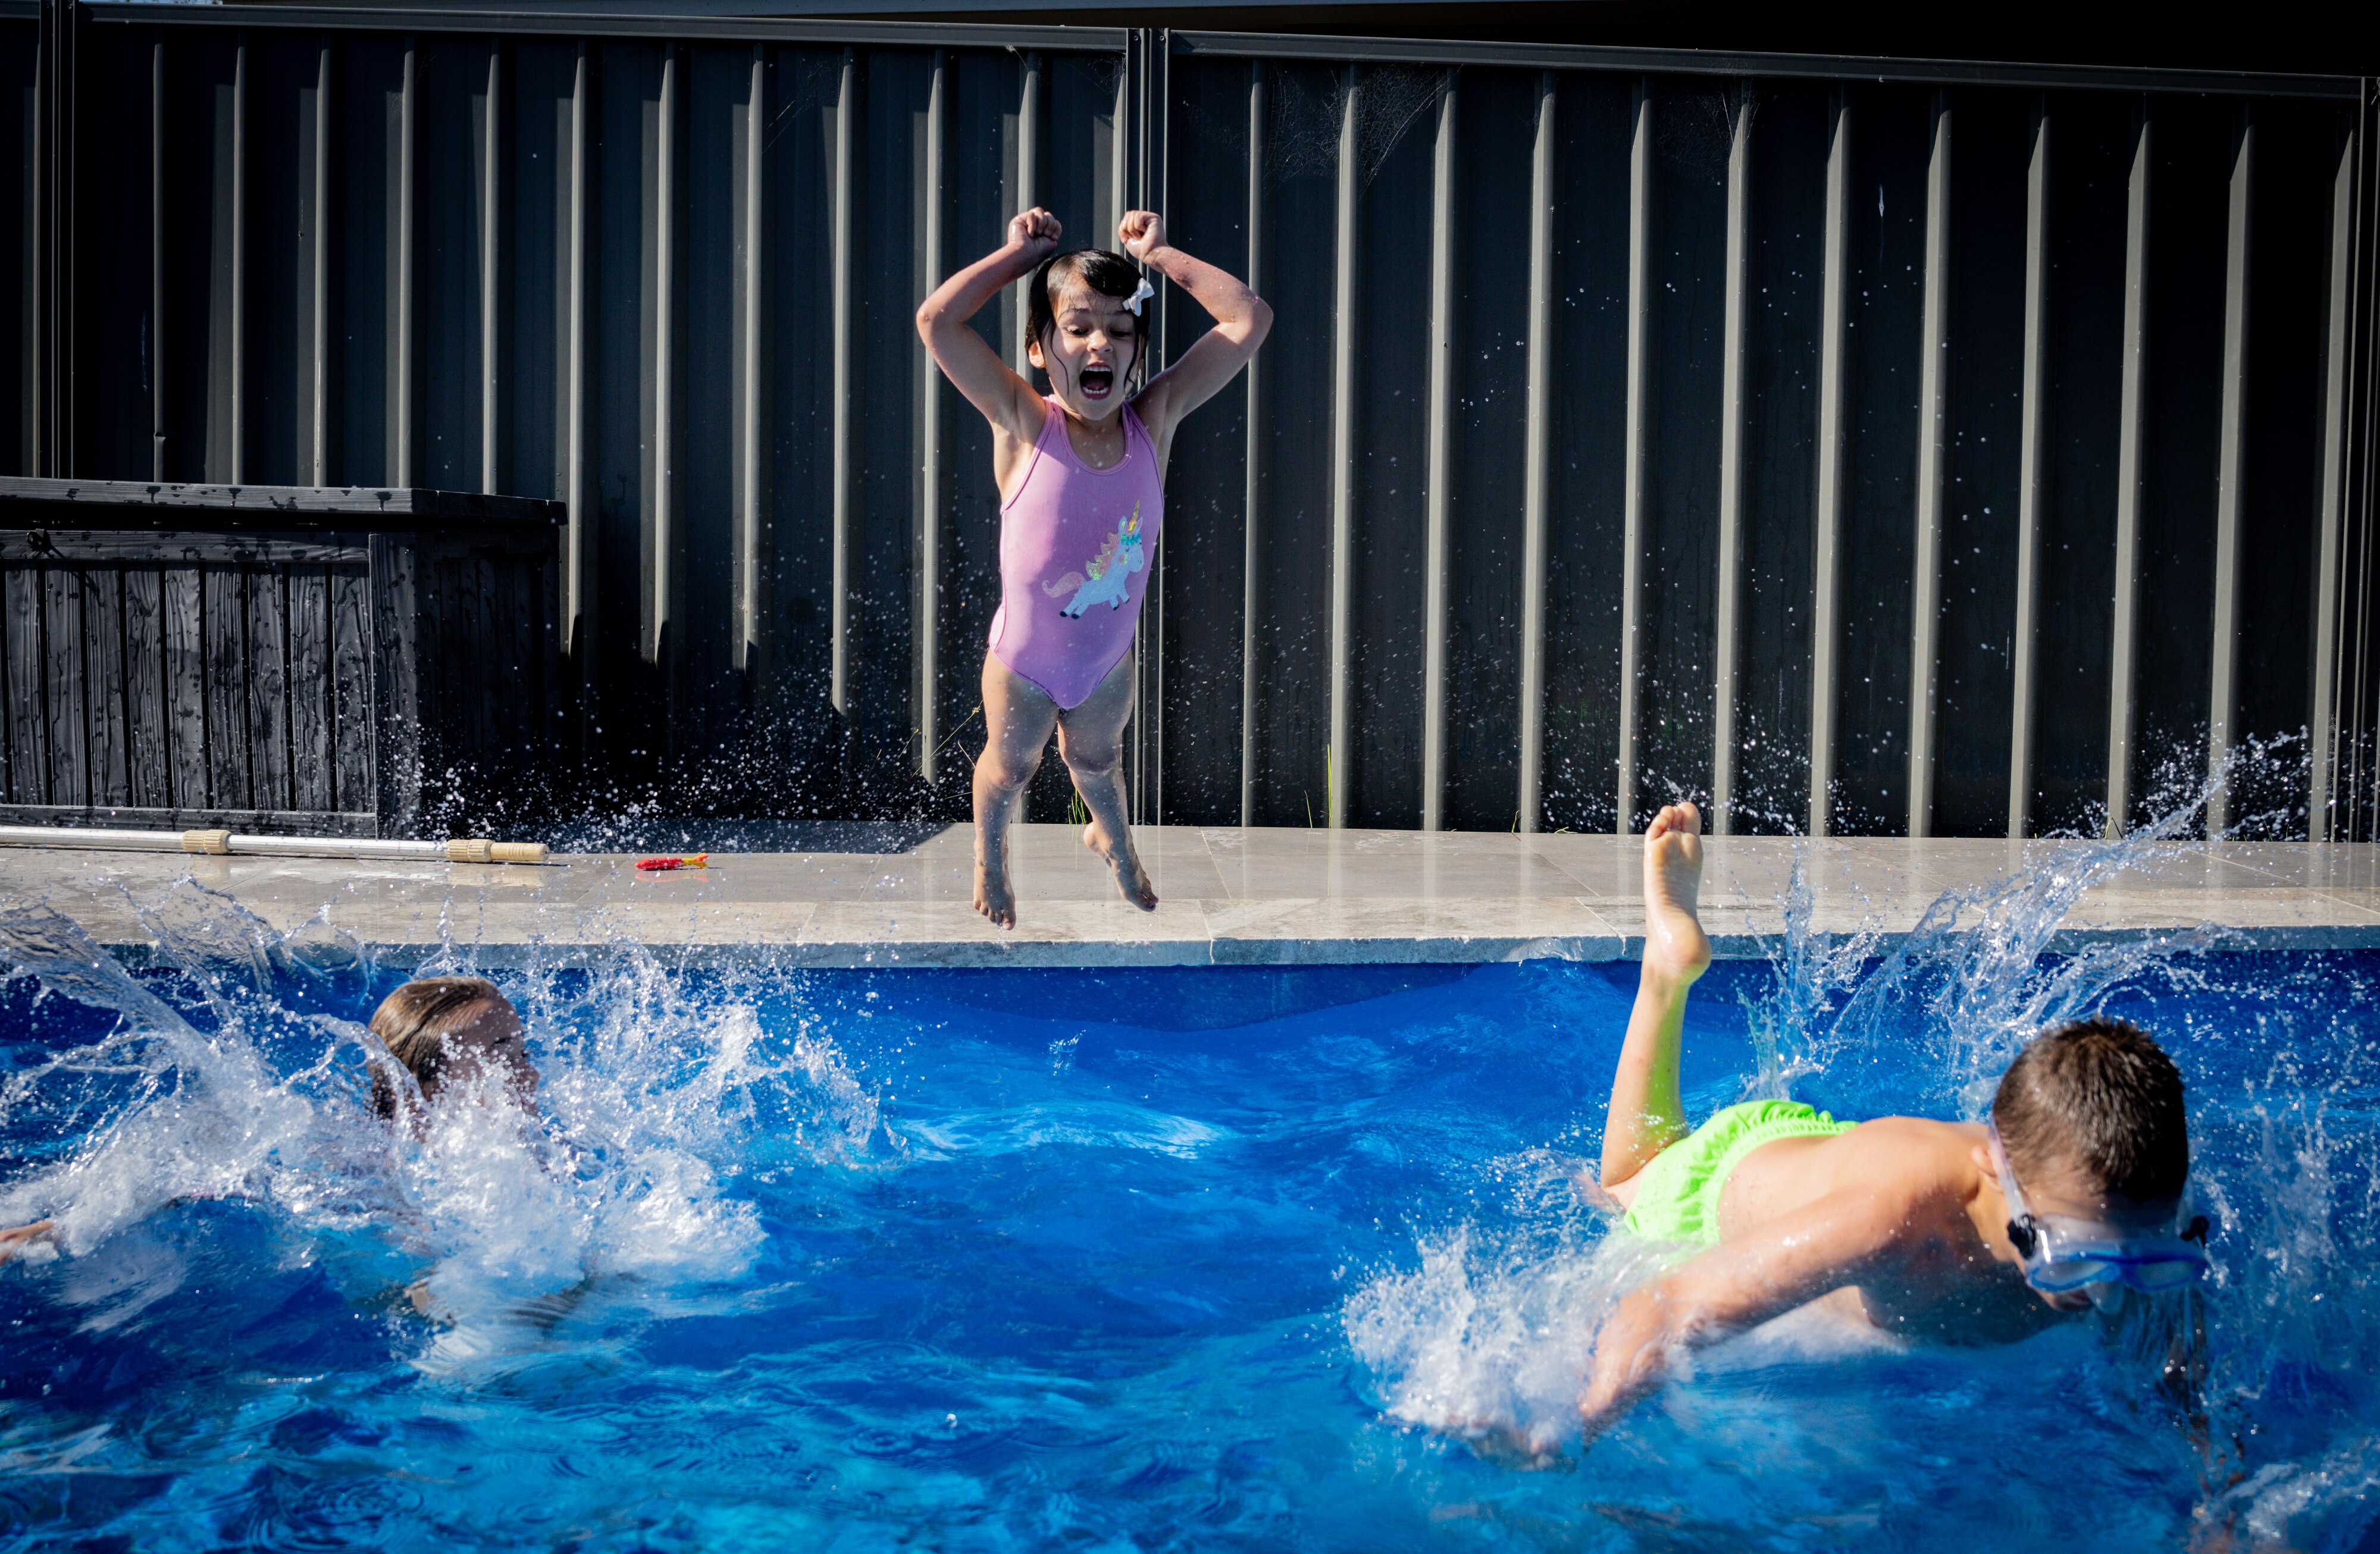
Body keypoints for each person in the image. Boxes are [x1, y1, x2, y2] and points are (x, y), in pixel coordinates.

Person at [1572, 802, 2209, 1446]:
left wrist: (2216, 1470)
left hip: (1837, 1157)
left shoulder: (2133, 1204)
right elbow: (1660, 1307)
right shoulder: (1895, 1222)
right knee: (1622, 1184)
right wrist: (1571, 1432)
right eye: (2070, 1255)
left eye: (2144, 1261)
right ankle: (1666, 969)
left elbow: (2179, 1367)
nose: (2107, 1291)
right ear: (1996, 1167)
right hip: (1732, 1181)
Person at [917, 206, 1270, 928]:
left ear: (1139, 351)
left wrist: (1162, 256)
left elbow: (1248, 319)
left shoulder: (1154, 421)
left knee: (1098, 761)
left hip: (1107, 662)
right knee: (1010, 768)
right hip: (1022, 661)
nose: (1099, 343)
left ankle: (1112, 837)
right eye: (1077, 328)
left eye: (1119, 329)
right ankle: (989, 855)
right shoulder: (1023, 420)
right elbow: (937, 321)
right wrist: (1017, 259)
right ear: (1039, 349)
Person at [1, 976, 537, 1265]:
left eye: (524, 1052)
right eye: (505, 1057)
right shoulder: (359, 1166)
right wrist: (56, 1232)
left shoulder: (529, 1152)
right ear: (422, 1087)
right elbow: (204, 1179)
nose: (530, 1074)